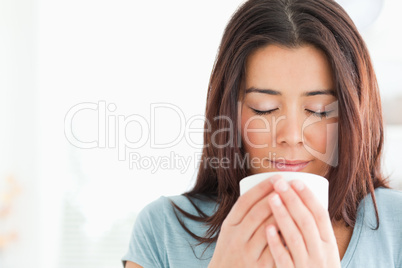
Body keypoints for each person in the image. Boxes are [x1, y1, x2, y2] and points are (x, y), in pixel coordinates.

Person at [122, 0, 402, 267]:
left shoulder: (396, 226)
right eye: (264, 109)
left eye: (318, 110)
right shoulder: (163, 230)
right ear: (229, 112)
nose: (291, 135)